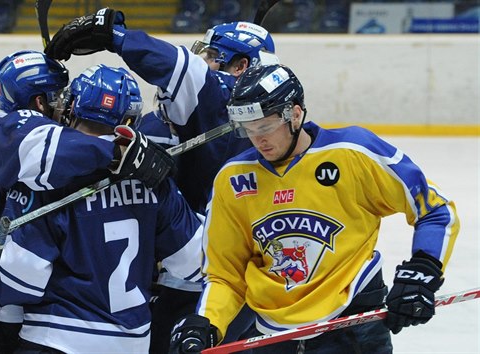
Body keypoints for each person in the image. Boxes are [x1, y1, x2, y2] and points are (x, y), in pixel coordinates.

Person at [167, 64, 460, 353]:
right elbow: (225, 274)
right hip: (272, 336)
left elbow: (434, 209)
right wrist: (207, 322)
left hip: (352, 328)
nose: (259, 140)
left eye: (266, 126)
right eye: (249, 130)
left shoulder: (353, 153)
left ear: (294, 114)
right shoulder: (234, 179)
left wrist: (422, 271)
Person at [0, 51, 175, 354]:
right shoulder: (18, 128)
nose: (64, 104)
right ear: (38, 102)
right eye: (56, 95)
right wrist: (119, 151)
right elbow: (56, 152)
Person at [44, 8, 278, 215]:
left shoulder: (222, 97)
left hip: (199, 242)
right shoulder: (274, 109)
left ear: (240, 67)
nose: (201, 60)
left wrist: (113, 35)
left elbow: (183, 68)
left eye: (212, 55)